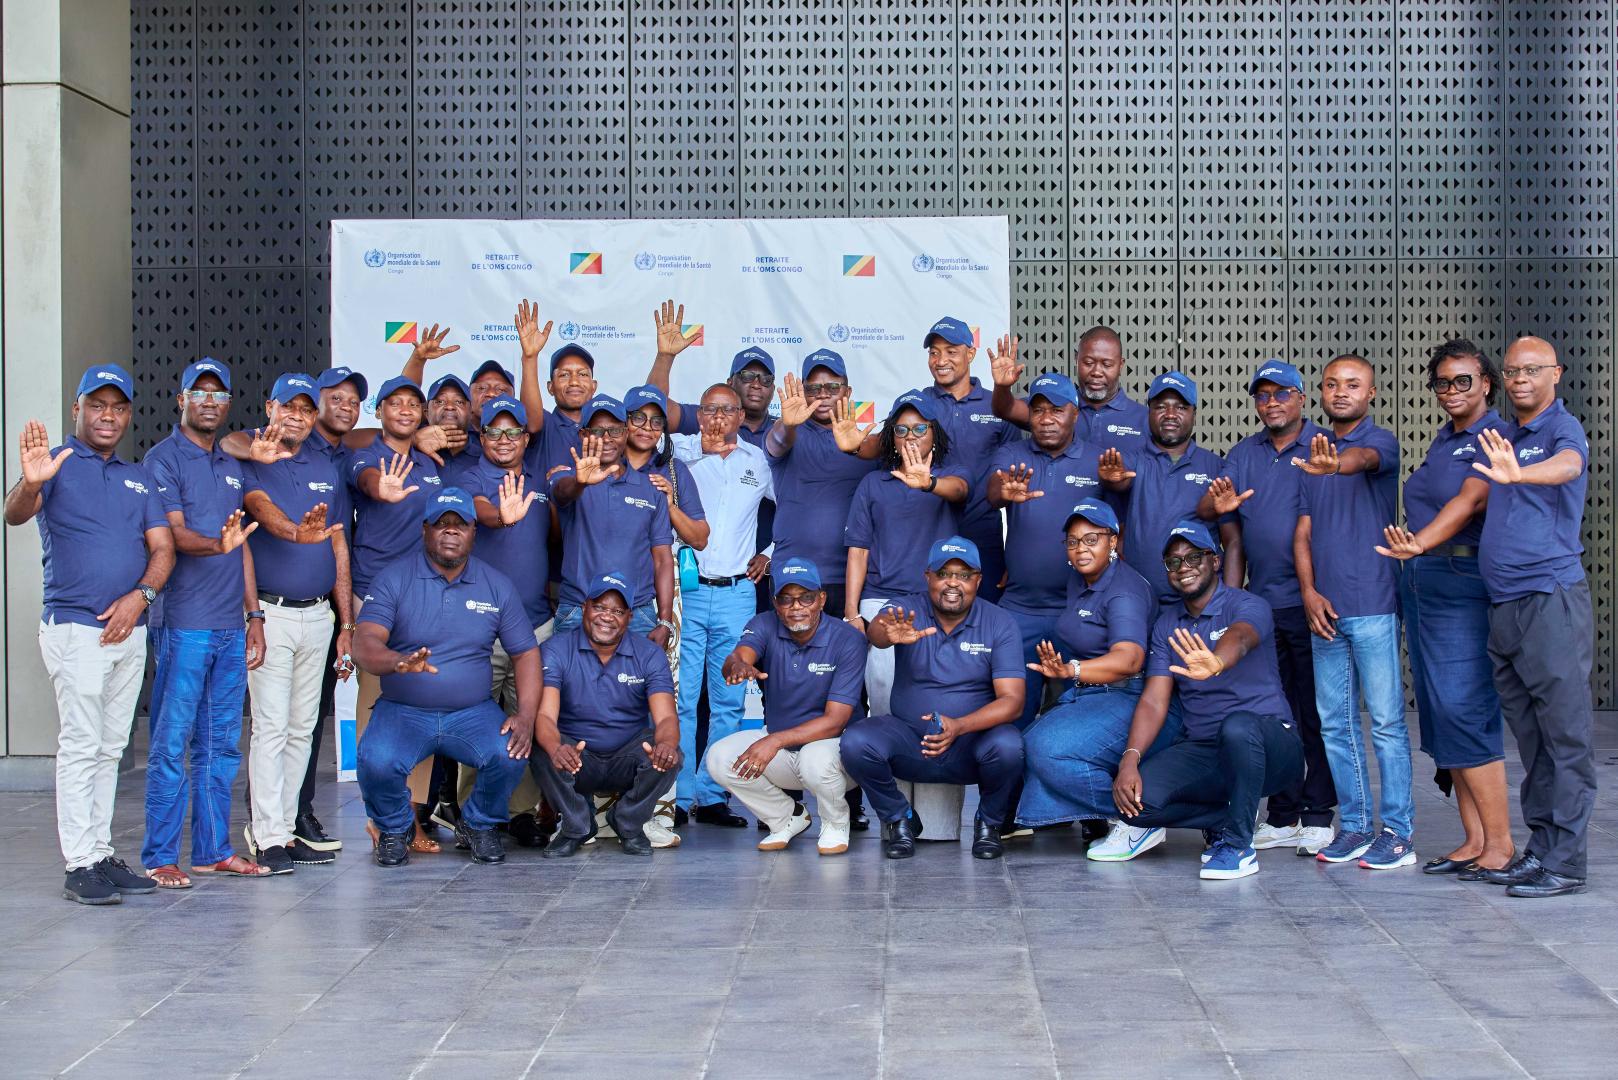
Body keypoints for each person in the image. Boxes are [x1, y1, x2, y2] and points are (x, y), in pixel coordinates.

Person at [5, 365, 175, 904]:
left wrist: (140, 597)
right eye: (97, 405)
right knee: (82, 745)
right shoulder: (55, 464)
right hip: (76, 629)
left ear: (128, 415)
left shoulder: (137, 476)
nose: (108, 416)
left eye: (117, 407)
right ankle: (79, 863)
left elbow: (163, 548)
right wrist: (31, 483)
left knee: (110, 748)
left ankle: (99, 852)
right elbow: (14, 513)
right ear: (76, 408)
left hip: (130, 631)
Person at [1373, 340, 1513, 877]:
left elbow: (1470, 500)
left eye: (1463, 381)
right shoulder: (1444, 439)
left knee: (1464, 707)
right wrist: (1417, 556)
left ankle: (1500, 844)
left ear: (1486, 384)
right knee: (1437, 712)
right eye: (1442, 382)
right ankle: (1474, 839)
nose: (1451, 390)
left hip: (1460, 578)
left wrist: (1420, 542)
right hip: (1423, 580)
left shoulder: (1492, 435)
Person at [1467, 336, 1595, 898]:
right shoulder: (1507, 435)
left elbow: (1570, 466)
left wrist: (1519, 473)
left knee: (1565, 737)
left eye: (1532, 370)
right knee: (1533, 740)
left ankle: (1566, 863)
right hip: (1506, 608)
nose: (1520, 379)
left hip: (1549, 601)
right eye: (1513, 371)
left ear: (1555, 374)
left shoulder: (1562, 429)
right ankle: (1541, 849)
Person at [220, 365, 367, 852]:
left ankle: (284, 829)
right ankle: (265, 834)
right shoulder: (251, 454)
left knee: (303, 729)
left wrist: (346, 623)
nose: (298, 416)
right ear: (270, 409)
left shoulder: (325, 467)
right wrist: (294, 532)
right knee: (271, 727)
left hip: (319, 616)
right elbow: (259, 507)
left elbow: (339, 546)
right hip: (272, 613)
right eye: (289, 407)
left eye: (306, 409)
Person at [353, 488, 537, 867]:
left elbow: (525, 653)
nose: (451, 531)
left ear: (473, 532)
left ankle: (478, 824)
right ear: (425, 529)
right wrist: (397, 662)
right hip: (404, 709)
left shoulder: (496, 585)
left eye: (460, 524)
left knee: (511, 750)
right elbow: (365, 641)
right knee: (374, 760)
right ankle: (395, 828)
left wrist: (526, 715)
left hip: (471, 712)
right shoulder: (394, 578)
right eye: (441, 523)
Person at [1111, 521, 1305, 880]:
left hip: (1272, 747)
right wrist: (1130, 759)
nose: (1183, 567)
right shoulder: (1168, 624)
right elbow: (1154, 700)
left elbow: (1242, 636)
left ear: (1215, 561)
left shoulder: (1247, 604)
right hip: (1206, 750)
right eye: (1173, 562)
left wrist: (1217, 660)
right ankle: (1227, 816)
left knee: (1238, 727)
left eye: (1193, 557)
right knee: (1134, 804)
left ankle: (1238, 846)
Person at [141, 358, 270, 887]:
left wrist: (254, 614)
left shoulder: (231, 462)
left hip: (228, 625)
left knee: (220, 746)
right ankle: (159, 856)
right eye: (200, 393)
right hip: (183, 623)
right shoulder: (162, 459)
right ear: (182, 400)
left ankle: (213, 850)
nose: (209, 402)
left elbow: (241, 546)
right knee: (172, 744)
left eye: (219, 394)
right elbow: (171, 536)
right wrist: (218, 544)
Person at [1199, 360, 1336, 856]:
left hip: (1315, 602)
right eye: (1263, 395)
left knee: (1317, 714)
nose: (1272, 402)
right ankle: (1283, 814)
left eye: (1281, 393)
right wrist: (1216, 506)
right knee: (1275, 714)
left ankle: (1318, 815)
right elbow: (1212, 510)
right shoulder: (1244, 453)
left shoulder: (1323, 446)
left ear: (1302, 398)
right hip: (1263, 606)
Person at [1293, 354, 1414, 870]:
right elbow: (1302, 533)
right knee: (1335, 725)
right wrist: (1308, 592)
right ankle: (1358, 827)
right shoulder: (1311, 453)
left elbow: (1365, 459)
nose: (1341, 392)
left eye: (1352, 384)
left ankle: (1399, 833)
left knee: (1385, 723)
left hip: (1372, 606)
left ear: (1371, 393)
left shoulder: (1380, 441)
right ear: (1321, 392)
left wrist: (1338, 464)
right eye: (1332, 384)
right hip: (1325, 610)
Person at [839, 536, 1026, 861]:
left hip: (971, 745)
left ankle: (989, 824)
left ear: (978, 580)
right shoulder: (906, 609)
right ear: (928, 577)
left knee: (1009, 746)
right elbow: (878, 631)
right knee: (855, 741)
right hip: (910, 741)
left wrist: (960, 726)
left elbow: (1013, 701)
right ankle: (900, 818)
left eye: (964, 575)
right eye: (944, 574)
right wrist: (885, 634)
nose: (953, 583)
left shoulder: (1000, 622)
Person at [1015, 502, 1174, 860]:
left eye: (1091, 539)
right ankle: (1109, 816)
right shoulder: (1082, 578)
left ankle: (1142, 816)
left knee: (1045, 749)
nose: (1081, 549)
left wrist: (1071, 670)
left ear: (1113, 541)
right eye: (1073, 542)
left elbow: (1129, 659)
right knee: (1026, 744)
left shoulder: (1124, 591)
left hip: (1130, 694)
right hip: (1093, 693)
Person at [669, 384, 777, 827]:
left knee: (729, 700)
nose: (717, 418)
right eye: (710, 409)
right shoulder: (679, 451)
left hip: (737, 593)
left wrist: (770, 552)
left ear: (740, 417)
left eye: (727, 410)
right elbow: (650, 460)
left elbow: (797, 506)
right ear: (699, 415)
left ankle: (713, 795)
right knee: (682, 698)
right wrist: (702, 454)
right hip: (687, 590)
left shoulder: (758, 460)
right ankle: (677, 797)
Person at [709, 558, 866, 854]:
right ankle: (786, 817)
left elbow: (835, 721)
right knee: (720, 757)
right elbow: (739, 655)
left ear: (821, 599)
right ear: (775, 603)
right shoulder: (764, 623)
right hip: (785, 752)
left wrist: (774, 740)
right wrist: (737, 665)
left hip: (837, 756)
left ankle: (835, 822)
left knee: (814, 758)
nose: (796, 607)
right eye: (786, 599)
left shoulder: (848, 639)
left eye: (806, 597)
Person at [347, 374, 444, 849]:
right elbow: (368, 482)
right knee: (375, 706)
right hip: (375, 595)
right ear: (379, 411)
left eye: (413, 404)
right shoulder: (365, 457)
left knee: (421, 703)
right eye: (394, 403)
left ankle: (411, 814)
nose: (404, 410)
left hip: (423, 595)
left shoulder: (430, 464)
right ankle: (379, 814)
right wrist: (380, 487)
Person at [457, 395, 557, 847]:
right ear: (482, 438)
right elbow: (477, 508)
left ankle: (519, 813)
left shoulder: (541, 480)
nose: (503, 439)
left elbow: (555, 535)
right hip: (481, 628)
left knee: (528, 720)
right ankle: (472, 814)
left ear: (525, 438)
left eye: (512, 431)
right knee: (475, 723)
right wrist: (501, 517)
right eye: (494, 432)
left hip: (535, 625)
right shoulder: (470, 477)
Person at [529, 573, 682, 857]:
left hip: (627, 756)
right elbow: (545, 717)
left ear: (629, 617)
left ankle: (628, 822)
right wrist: (556, 748)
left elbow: (666, 719)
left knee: (671, 755)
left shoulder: (649, 654)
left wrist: (666, 745)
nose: (607, 617)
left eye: (617, 611)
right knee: (541, 746)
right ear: (584, 608)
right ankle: (577, 826)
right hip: (576, 757)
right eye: (599, 607)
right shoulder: (555, 649)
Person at [987, 371, 1103, 727]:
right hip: (1020, 609)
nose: (1047, 419)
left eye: (1057, 410)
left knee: (1079, 717)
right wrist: (1003, 493)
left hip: (1078, 609)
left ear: (1075, 414)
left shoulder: (1097, 461)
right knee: (1011, 716)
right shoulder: (1012, 453)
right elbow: (992, 493)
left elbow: (1119, 527)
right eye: (1038, 410)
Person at [843, 390, 969, 717]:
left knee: (936, 694)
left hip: (935, 602)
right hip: (881, 599)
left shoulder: (951, 475)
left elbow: (959, 490)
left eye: (919, 428)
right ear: (891, 437)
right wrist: (851, 612)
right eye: (901, 429)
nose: (910, 436)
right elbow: (858, 550)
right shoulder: (873, 483)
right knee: (883, 691)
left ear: (934, 434)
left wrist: (929, 484)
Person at [549, 395, 676, 648]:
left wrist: (665, 620)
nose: (606, 438)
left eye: (615, 430)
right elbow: (561, 494)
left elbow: (662, 559)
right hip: (578, 609)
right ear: (583, 435)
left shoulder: (651, 489)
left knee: (637, 676)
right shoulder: (566, 477)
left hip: (637, 613)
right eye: (597, 431)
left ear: (626, 433)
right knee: (569, 675)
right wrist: (580, 483)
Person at [1101, 372, 1236, 604]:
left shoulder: (1216, 467)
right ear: (1149, 412)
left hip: (1198, 603)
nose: (1171, 414)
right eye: (1161, 407)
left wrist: (1230, 601)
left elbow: (1233, 540)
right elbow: (1119, 482)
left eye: (1181, 407)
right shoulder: (1131, 461)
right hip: (1140, 601)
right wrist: (1110, 481)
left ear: (1194, 413)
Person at [992, 325, 1147, 520]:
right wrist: (1001, 386)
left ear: (1121, 364)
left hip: (1119, 531)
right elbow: (1005, 409)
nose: (1096, 372)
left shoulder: (1144, 419)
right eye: (1088, 362)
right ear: (1076, 359)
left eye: (1107, 364)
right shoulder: (1056, 408)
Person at [765, 351, 877, 617]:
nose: (823, 395)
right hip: (792, 574)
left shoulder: (864, 441)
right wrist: (788, 425)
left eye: (832, 387)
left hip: (851, 578)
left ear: (848, 391)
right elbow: (775, 444)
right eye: (813, 388)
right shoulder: (789, 433)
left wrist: (858, 446)